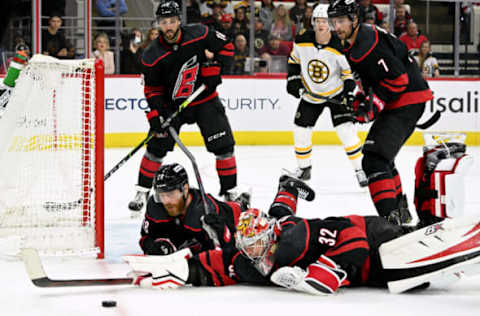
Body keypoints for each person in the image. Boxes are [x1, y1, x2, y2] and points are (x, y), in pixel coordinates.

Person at [125, 174, 480, 295]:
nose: (252, 256)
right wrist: (184, 270)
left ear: (270, 239)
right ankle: (287, 186)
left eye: (256, 247)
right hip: (369, 272)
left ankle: (432, 191)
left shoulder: (295, 238)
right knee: (413, 278)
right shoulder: (251, 258)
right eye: (247, 249)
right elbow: (224, 263)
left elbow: (352, 236)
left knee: (409, 253)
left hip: (375, 237)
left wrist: (325, 271)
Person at [327, 0, 433, 226]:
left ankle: (390, 224)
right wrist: (361, 99)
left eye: (341, 21)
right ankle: (399, 215)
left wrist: (374, 104)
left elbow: (398, 79)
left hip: (407, 99)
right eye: (333, 21)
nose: (336, 26)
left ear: (354, 19)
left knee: (374, 161)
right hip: (402, 99)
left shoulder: (368, 42)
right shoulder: (352, 41)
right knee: (382, 158)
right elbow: (371, 77)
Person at [128, 1, 237, 215]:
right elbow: (152, 89)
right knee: (156, 149)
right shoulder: (152, 54)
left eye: (171, 21)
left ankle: (230, 192)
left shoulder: (199, 33)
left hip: (204, 99)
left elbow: (228, 46)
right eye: (163, 22)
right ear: (158, 24)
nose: (168, 26)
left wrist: (216, 67)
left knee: (224, 147)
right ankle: (142, 191)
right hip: (172, 106)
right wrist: (157, 114)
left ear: (179, 21)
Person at [138, 163, 312, 256]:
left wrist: (184, 254)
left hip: (237, 222)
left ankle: (288, 188)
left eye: (171, 194)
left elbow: (223, 253)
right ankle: (240, 200)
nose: (166, 201)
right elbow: (146, 237)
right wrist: (154, 245)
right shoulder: (156, 205)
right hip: (210, 225)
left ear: (184, 189)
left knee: (278, 228)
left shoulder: (202, 212)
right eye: (162, 194)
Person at [285, 5, 366, 187]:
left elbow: (348, 75)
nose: (321, 24)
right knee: (300, 131)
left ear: (330, 24)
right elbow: (293, 62)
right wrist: (293, 81)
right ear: (313, 22)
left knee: (346, 131)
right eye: (318, 21)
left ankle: (360, 169)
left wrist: (347, 92)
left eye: (325, 21)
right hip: (311, 95)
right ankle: (304, 168)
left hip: (335, 94)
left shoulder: (340, 46)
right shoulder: (302, 40)